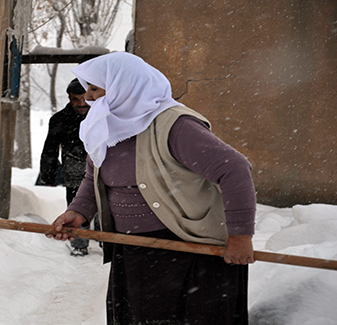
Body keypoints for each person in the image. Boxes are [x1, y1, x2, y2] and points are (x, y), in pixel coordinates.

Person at [47, 52, 256, 324]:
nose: (88, 97)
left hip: (189, 253)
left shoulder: (175, 125)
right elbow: (94, 176)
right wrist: (79, 211)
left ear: (123, 85)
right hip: (135, 250)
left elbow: (234, 169)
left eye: (95, 88)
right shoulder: (105, 126)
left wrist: (240, 237)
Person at [38, 78, 94, 256]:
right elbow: (50, 149)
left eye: (85, 99)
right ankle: (79, 244)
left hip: (102, 170)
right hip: (75, 171)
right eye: (75, 99)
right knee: (77, 209)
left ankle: (106, 240)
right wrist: (48, 175)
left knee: (106, 208)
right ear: (69, 99)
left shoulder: (101, 116)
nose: (81, 104)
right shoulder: (60, 120)